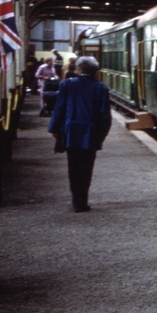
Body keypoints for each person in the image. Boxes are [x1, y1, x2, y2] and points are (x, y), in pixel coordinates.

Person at [48, 56, 112, 213]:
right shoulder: (101, 88)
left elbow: (59, 109)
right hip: (91, 132)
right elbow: (105, 115)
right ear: (94, 71)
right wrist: (102, 134)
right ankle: (81, 201)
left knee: (73, 165)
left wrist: (55, 129)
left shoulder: (67, 85)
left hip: (71, 131)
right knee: (86, 167)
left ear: (79, 69)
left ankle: (75, 198)